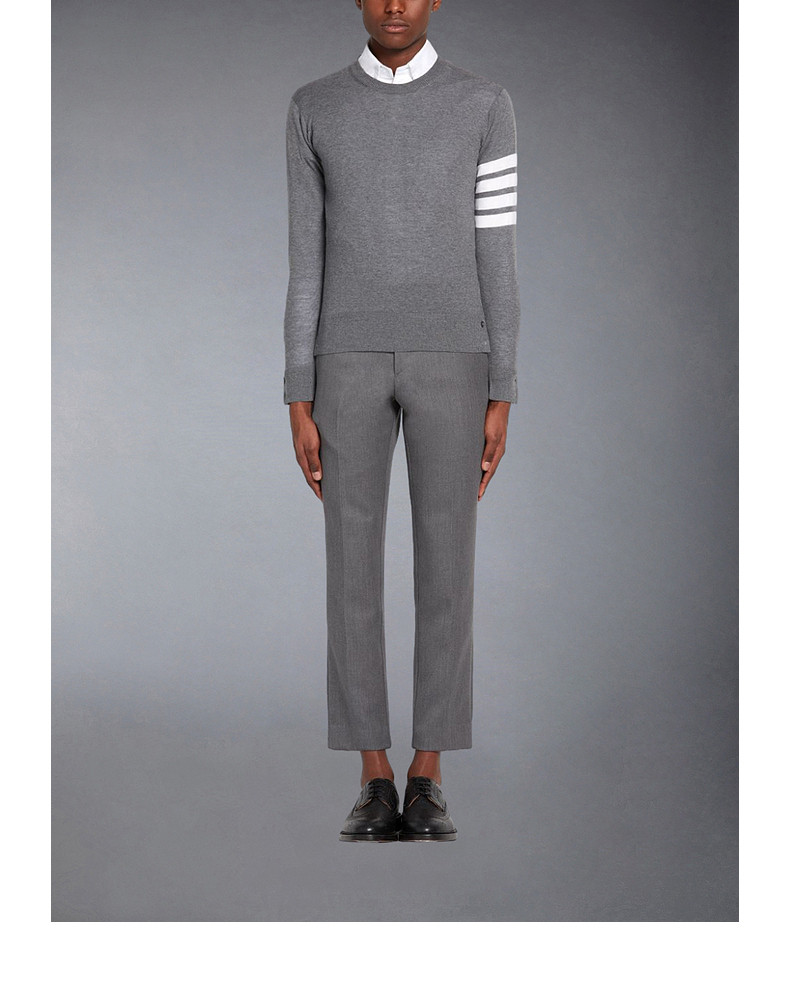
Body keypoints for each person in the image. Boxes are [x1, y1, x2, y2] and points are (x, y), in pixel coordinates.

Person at [283, 0, 520, 842]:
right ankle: (372, 776)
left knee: (448, 566)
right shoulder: (314, 107)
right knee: (350, 567)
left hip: (456, 358)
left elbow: (498, 250)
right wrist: (297, 387)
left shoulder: (483, 104)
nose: (394, 4)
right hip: (343, 361)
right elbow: (304, 259)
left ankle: (429, 775)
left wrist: (503, 385)